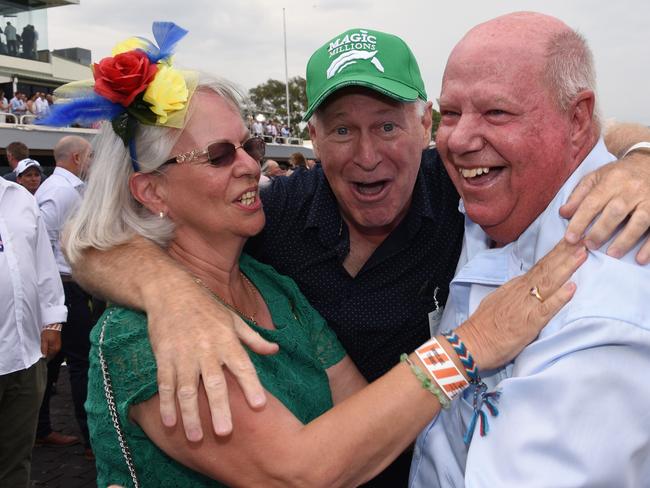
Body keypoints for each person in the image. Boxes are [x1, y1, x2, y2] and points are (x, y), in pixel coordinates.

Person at [68, 26, 650, 486]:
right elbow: (299, 470)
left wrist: (643, 159)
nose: (368, 154)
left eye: (250, 146)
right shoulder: (272, 226)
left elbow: (577, 131)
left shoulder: (459, 188)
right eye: (342, 130)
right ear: (314, 138)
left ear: (427, 125)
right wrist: (474, 342)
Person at [408, 12, 650, 487]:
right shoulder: (498, 194)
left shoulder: (603, 305)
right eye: (450, 113)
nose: (457, 139)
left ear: (577, 119)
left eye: (497, 112)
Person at [0, 176, 67, 487]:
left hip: (25, 357)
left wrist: (52, 320)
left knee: (17, 459)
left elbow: (43, 264)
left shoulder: (19, 198)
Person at [34, 136, 94, 455]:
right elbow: (39, 237)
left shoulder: (66, 189)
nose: (93, 161)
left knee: (54, 362)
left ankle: (42, 429)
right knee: (81, 361)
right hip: (62, 285)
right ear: (75, 157)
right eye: (89, 156)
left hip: (66, 282)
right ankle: (91, 440)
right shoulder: (60, 191)